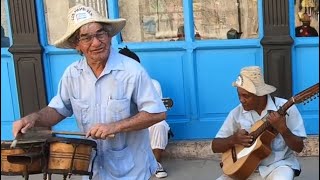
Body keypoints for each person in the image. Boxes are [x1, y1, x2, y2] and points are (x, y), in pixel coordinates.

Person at [12, 4, 167, 180]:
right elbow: (57, 110)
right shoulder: (72, 74)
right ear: (76, 45)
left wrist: (115, 126)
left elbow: (157, 113)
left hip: (131, 170)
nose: (96, 42)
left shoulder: (132, 71)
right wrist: (33, 119)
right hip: (91, 169)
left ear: (109, 36)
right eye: (86, 38)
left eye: (100, 34)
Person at [211, 66, 307, 180]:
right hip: (243, 169)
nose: (241, 100)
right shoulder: (236, 113)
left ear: (260, 94)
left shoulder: (286, 108)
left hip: (279, 166)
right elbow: (215, 146)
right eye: (239, 95)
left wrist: (283, 129)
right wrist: (233, 139)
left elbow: (299, 147)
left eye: (246, 96)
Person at [118, 46, 170, 178]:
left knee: (160, 124)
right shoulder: (111, 86)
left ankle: (155, 163)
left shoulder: (153, 84)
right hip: (118, 126)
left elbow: (156, 112)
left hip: (143, 124)